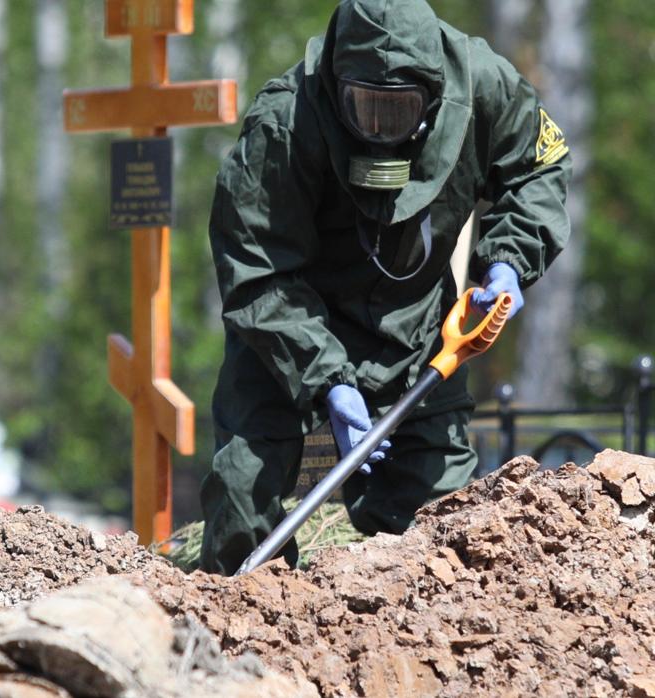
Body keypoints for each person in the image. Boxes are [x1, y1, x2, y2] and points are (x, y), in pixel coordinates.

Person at [201, 0, 571, 575]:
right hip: (291, 327)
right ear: (336, 86)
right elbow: (256, 271)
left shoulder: (482, 84)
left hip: (419, 331)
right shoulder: (284, 123)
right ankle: (234, 634)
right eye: (364, 108)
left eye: (395, 111)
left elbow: (539, 167)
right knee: (245, 500)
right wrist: (329, 382)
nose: (378, 130)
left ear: (432, 94)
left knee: (444, 529)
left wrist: (507, 262)